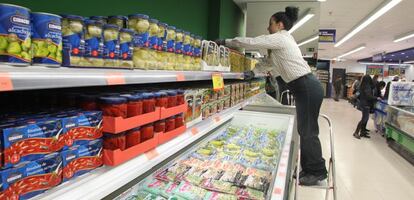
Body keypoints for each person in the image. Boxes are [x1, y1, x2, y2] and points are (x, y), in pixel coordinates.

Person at [216, 6, 327, 185]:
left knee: (308, 130)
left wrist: (227, 41)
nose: (268, 28)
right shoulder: (280, 45)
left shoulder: (281, 38)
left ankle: (317, 171)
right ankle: (309, 169)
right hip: (304, 87)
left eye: (270, 24)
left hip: (306, 86)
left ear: (279, 25)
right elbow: (268, 63)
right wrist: (253, 72)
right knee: (305, 129)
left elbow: (252, 42)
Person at [353, 75, 380, 139]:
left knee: (365, 118)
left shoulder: (362, 85)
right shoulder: (367, 86)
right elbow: (368, 96)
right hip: (366, 104)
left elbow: (358, 94)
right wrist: (376, 98)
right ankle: (356, 132)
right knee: (364, 119)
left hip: (363, 104)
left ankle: (362, 132)